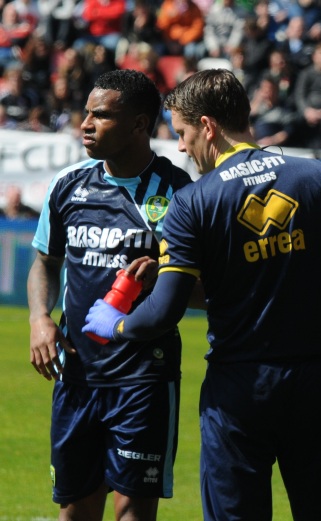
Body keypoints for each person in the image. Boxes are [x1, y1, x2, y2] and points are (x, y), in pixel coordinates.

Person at [82, 68, 321, 521]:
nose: (180, 147)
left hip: (239, 392)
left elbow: (163, 312)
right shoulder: (320, 177)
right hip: (317, 385)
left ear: (207, 127)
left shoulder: (193, 202)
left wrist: (115, 324)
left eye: (182, 133)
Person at [27, 69, 193, 521]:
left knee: (132, 513)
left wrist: (166, 276)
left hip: (144, 379)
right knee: (75, 510)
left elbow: (206, 291)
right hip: (76, 374)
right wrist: (40, 318)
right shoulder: (69, 186)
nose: (85, 124)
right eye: (86, 113)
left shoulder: (179, 194)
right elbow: (44, 261)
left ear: (139, 125)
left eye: (101, 116)